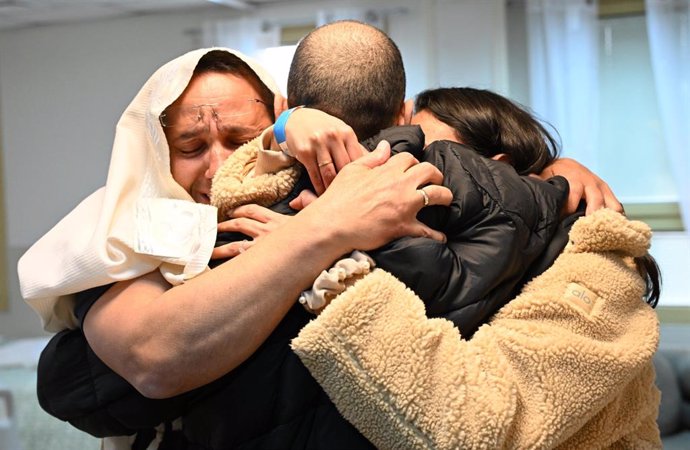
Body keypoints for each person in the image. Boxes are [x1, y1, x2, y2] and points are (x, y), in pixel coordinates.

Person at [20, 47, 451, 449]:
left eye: (239, 139)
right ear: (156, 151)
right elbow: (152, 357)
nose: (219, 166)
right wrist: (330, 229)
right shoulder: (122, 231)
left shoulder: (314, 196)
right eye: (190, 147)